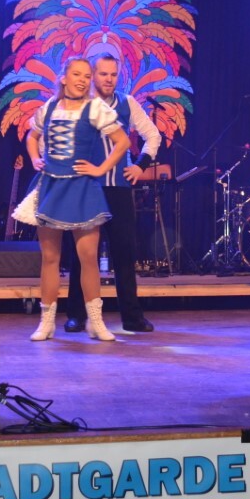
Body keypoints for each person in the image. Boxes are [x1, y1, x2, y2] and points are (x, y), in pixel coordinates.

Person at [13, 57, 131, 343]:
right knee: (50, 258)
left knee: (88, 257)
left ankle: (96, 322)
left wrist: (101, 169)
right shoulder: (49, 107)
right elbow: (32, 137)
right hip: (51, 186)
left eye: (87, 76)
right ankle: (46, 322)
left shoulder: (96, 108)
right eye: (77, 74)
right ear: (64, 78)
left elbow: (123, 142)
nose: (82, 80)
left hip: (82, 188)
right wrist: (35, 158)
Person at [62, 46, 160, 333]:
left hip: (118, 188)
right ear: (93, 75)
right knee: (82, 255)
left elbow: (153, 135)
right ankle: (76, 315)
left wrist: (140, 166)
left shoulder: (127, 103)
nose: (108, 79)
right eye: (103, 74)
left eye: (113, 74)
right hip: (87, 188)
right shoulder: (80, 103)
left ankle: (132, 317)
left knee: (125, 253)